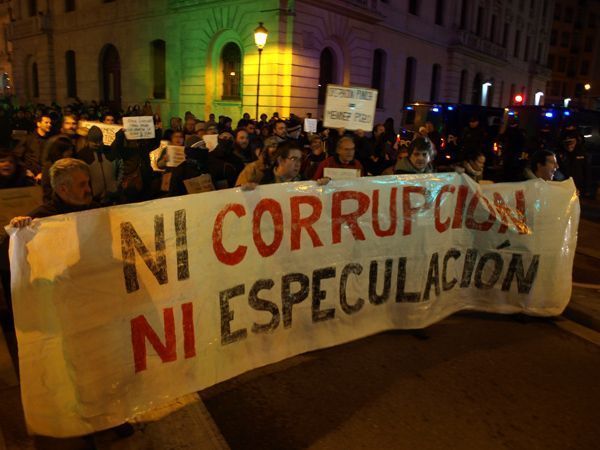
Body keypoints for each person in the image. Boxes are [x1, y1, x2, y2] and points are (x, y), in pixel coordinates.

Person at [77, 126, 120, 205]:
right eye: (94, 141)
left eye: (100, 140)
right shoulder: (82, 155)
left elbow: (120, 168)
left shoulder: (110, 151)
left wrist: (117, 186)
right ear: (88, 140)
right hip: (93, 199)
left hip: (114, 196)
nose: (98, 144)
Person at [13, 113, 53, 180]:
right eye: (46, 122)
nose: (49, 125)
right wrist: (26, 170)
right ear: (39, 124)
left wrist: (44, 173)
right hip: (29, 177)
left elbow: (51, 159)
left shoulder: (50, 140)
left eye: (50, 123)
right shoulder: (28, 139)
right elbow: (16, 156)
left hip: (44, 176)